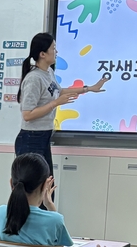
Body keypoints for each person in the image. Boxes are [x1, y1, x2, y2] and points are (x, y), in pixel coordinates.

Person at [15, 32, 105, 173]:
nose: (56, 52)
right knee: (32, 189)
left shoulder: (48, 72)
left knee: (47, 187)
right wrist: (55, 103)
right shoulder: (34, 79)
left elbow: (59, 91)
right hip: (31, 139)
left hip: (43, 136)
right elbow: (27, 114)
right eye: (53, 48)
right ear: (42, 54)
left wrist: (89, 89)